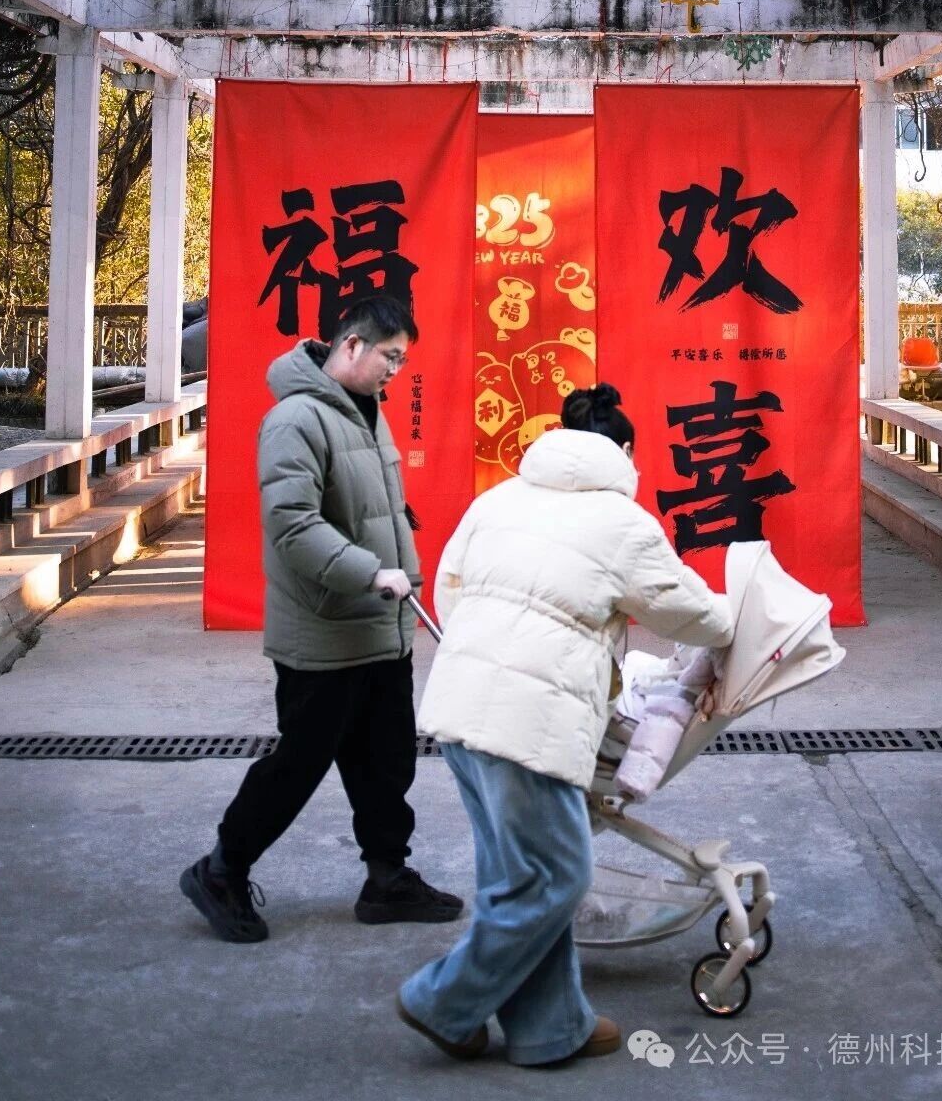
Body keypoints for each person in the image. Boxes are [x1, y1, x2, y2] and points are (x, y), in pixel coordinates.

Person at [396, 382, 736, 1068]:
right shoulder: (622, 521)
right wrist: (736, 622)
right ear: (627, 452)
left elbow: (449, 588)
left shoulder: (497, 499)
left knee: (516, 877)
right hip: (531, 723)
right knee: (557, 877)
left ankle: (549, 1028)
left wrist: (488, 659)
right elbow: (692, 615)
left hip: (460, 705)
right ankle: (444, 1000)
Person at [180, 294, 464, 943]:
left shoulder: (365, 411)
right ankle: (221, 870)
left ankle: (387, 877)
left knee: (386, 761)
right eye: (391, 356)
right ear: (352, 345)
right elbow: (292, 527)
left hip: (380, 626)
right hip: (325, 631)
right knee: (299, 765)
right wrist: (370, 571)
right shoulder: (295, 420)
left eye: (404, 360)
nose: (397, 370)